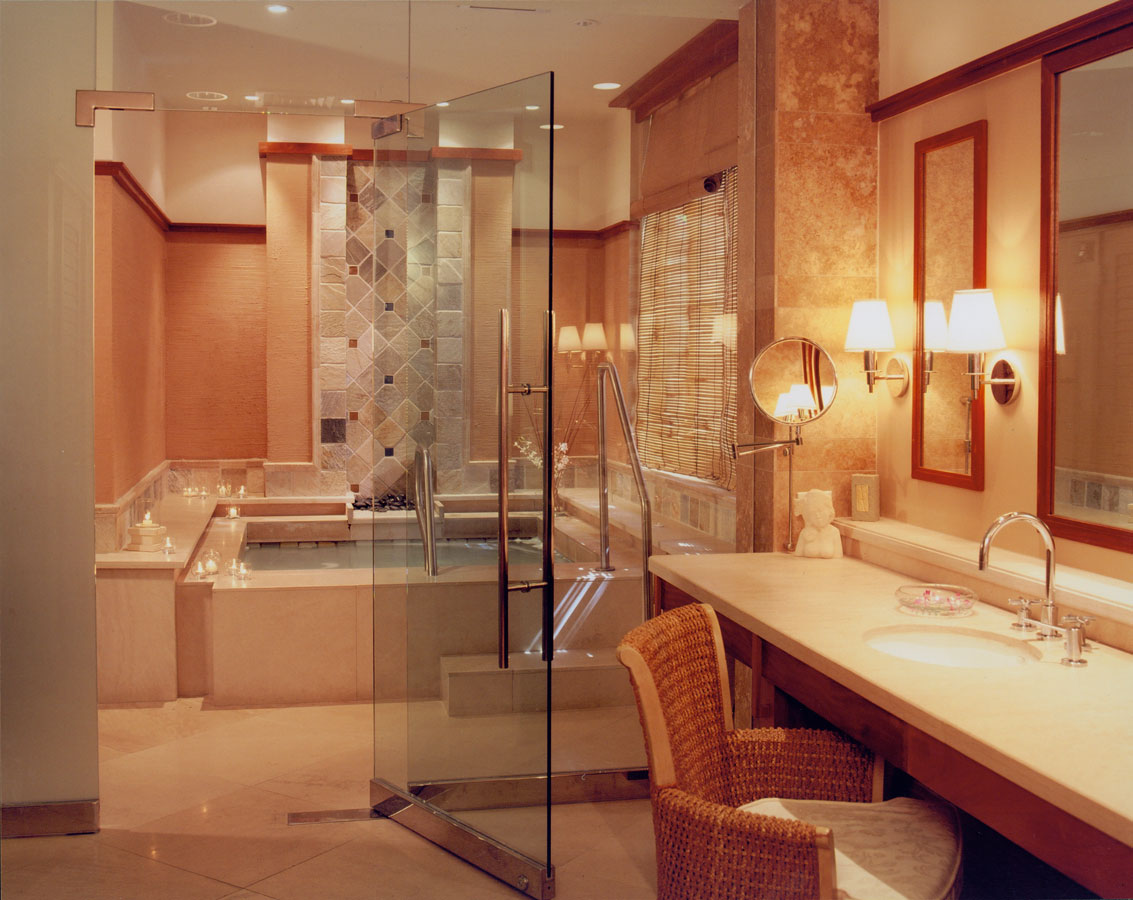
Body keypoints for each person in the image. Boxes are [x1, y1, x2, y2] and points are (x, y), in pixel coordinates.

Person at [794, 489, 843, 558]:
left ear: (829, 512)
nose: (817, 515)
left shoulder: (834, 532)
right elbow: (798, 556)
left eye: (820, 510)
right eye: (813, 512)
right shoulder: (804, 533)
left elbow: (838, 557)